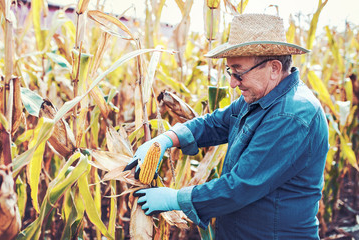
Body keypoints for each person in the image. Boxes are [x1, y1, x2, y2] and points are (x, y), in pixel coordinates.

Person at [124, 13, 329, 239]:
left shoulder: (292, 115)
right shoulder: (261, 96)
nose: (232, 83)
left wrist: (174, 199)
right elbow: (214, 123)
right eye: (230, 72)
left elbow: (240, 186)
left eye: (239, 73)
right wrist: (166, 139)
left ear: (273, 68)